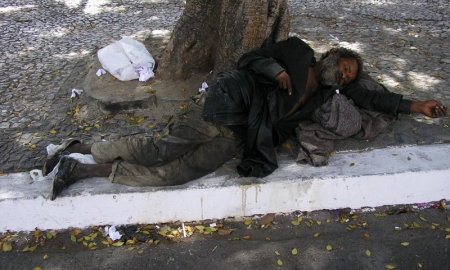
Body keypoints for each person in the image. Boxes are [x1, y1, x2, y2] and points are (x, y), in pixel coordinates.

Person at [45, 37, 447, 200]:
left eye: (346, 78)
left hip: (243, 136)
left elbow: (376, 98)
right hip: (228, 108)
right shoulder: (296, 50)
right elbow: (247, 59)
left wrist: (417, 106)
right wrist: (275, 70)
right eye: (343, 67)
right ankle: (77, 148)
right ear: (332, 56)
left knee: (175, 174)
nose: (343, 76)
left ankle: (79, 173)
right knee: (156, 149)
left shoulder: (325, 94)